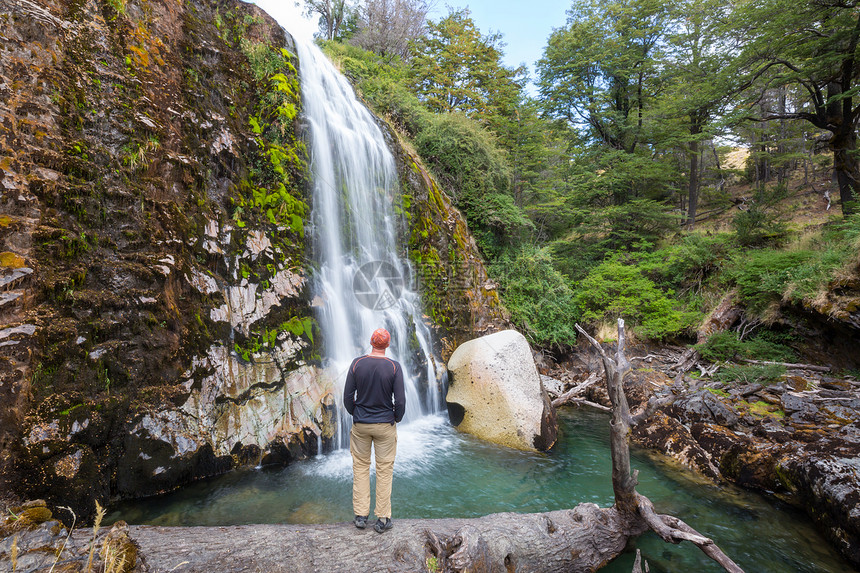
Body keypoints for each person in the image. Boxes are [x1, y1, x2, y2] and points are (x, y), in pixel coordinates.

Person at [343, 327, 405, 533]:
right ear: (387, 345)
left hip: (361, 424)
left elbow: (347, 397)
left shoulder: (357, 364)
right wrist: (395, 418)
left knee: (360, 467)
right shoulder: (394, 367)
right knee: (384, 470)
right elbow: (401, 401)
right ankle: (382, 519)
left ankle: (360, 516)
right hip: (385, 425)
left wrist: (357, 415)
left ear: (371, 342)